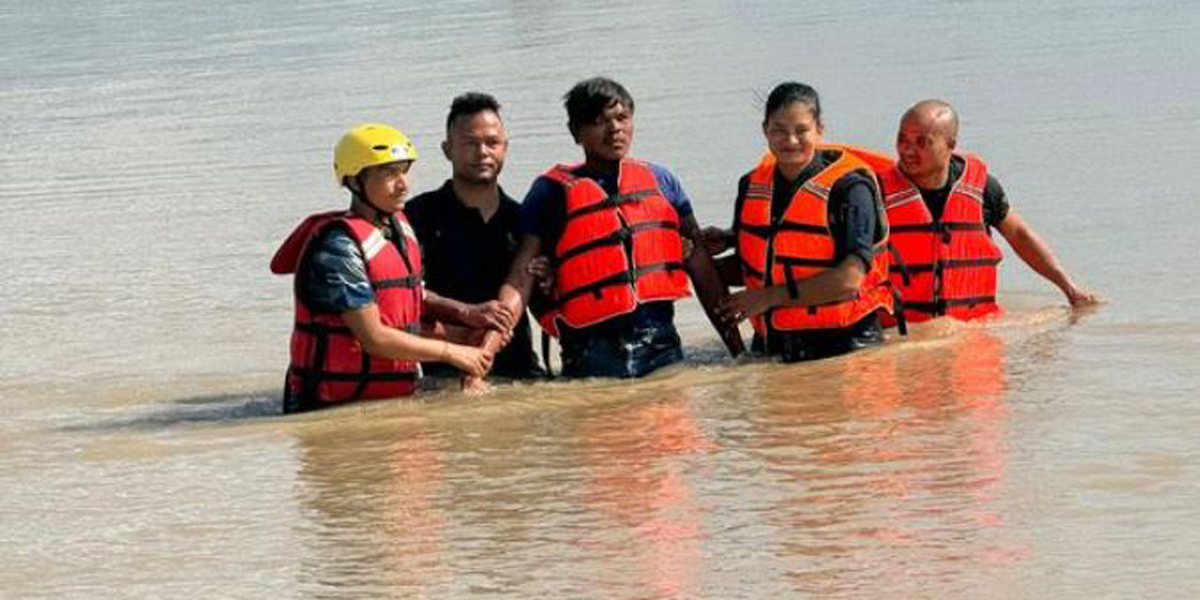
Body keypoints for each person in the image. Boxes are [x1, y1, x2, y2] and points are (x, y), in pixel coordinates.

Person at [485, 76, 742, 379]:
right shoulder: (549, 192)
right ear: (575, 132)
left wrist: (739, 353)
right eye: (598, 121)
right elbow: (521, 276)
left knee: (674, 426)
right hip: (590, 352)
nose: (615, 129)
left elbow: (701, 268)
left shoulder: (663, 182)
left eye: (622, 118)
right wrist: (487, 350)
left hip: (661, 345)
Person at [270, 123, 495, 413]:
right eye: (388, 174)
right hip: (330, 409)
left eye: (404, 171)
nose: (403, 185)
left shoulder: (396, 228)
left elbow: (408, 296)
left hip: (391, 399)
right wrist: (453, 352)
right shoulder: (338, 247)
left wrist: (465, 314)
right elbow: (374, 337)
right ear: (354, 181)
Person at [706, 82, 896, 362]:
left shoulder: (851, 189)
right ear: (765, 131)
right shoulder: (750, 185)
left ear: (819, 128)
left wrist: (768, 297)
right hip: (774, 346)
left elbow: (850, 279)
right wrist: (696, 256)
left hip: (847, 348)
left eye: (801, 130)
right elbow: (763, 264)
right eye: (779, 130)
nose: (790, 140)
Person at [881, 99, 1098, 323]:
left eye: (921, 142)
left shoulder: (981, 188)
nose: (907, 149)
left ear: (950, 144)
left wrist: (1069, 289)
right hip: (902, 331)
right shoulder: (875, 194)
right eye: (902, 139)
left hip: (975, 328)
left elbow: (1020, 236)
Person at [404, 92, 544, 381]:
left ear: (505, 147)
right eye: (470, 143)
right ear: (447, 149)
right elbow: (403, 295)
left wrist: (551, 278)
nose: (482, 152)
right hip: (442, 372)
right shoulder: (417, 215)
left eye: (492, 142)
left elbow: (537, 300)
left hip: (520, 373)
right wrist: (464, 315)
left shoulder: (523, 219)